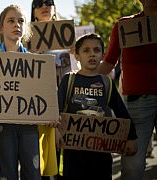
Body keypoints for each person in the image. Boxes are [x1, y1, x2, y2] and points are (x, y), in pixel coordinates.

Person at [57, 33, 137, 179]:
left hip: (101, 153)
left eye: (96, 50)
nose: (92, 54)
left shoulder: (107, 82)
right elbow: (56, 111)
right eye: (86, 50)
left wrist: (131, 137)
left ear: (102, 55)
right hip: (73, 154)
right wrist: (55, 132)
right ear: (77, 56)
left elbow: (121, 111)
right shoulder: (68, 80)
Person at [0, 4, 43, 180]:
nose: (17, 24)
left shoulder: (33, 61)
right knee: (6, 173)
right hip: (3, 126)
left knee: (32, 173)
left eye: (21, 21)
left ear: (26, 28)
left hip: (29, 126)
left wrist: (50, 114)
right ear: (1, 27)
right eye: (11, 20)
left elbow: (40, 95)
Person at [97, 0, 157, 179]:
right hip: (138, 102)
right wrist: (82, 77)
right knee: (132, 165)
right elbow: (109, 62)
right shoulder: (124, 25)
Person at [31, 0, 60, 179]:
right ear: (33, 12)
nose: (44, 6)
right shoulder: (25, 39)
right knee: (40, 153)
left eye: (48, 2)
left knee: (60, 151)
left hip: (61, 98)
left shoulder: (68, 37)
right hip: (36, 101)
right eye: (39, 3)